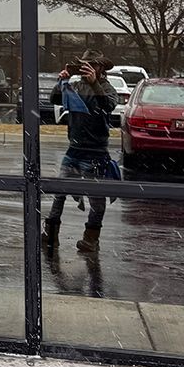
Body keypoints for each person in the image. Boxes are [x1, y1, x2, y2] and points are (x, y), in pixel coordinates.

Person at [44, 49, 118, 253]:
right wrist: (61, 82)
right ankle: (51, 234)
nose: (87, 68)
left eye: (92, 65)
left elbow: (108, 106)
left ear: (100, 67)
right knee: (59, 193)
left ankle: (91, 239)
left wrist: (95, 84)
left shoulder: (106, 87)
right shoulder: (76, 86)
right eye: (84, 65)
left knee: (96, 199)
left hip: (96, 152)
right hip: (74, 148)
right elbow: (55, 100)